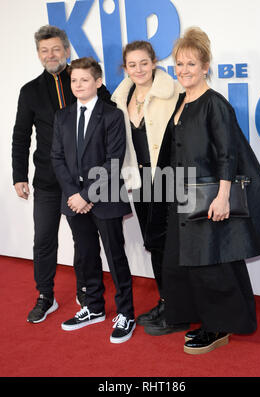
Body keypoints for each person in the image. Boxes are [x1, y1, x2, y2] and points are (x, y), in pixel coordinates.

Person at [144, 27, 260, 353]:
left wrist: (223, 197)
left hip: (208, 200)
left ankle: (218, 328)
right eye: (179, 64)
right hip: (181, 201)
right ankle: (200, 319)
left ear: (206, 66)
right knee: (186, 265)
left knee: (212, 267)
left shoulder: (215, 104)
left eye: (191, 64)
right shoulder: (182, 101)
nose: (183, 70)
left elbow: (228, 153)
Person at [12, 25, 113, 324]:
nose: (50, 55)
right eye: (44, 50)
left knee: (84, 240)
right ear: (39, 55)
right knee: (43, 240)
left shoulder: (85, 81)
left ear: (67, 51)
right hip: (46, 180)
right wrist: (19, 174)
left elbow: (110, 118)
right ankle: (45, 295)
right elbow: (20, 135)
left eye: (56, 49)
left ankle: (86, 291)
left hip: (81, 184)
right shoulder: (29, 91)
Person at [51, 57, 135, 343]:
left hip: (106, 198)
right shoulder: (62, 116)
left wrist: (87, 195)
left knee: (115, 256)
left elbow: (114, 161)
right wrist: (75, 195)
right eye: (73, 80)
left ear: (98, 82)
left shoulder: (112, 115)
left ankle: (126, 313)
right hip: (73, 200)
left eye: (84, 80)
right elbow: (57, 158)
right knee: (85, 256)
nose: (78, 85)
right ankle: (93, 307)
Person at [111, 41, 187, 334]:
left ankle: (179, 310)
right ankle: (167, 301)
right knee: (154, 244)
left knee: (172, 246)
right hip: (141, 183)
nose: (139, 69)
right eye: (132, 65)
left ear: (154, 62)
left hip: (169, 180)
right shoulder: (121, 96)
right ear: (125, 68)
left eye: (144, 62)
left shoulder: (174, 93)